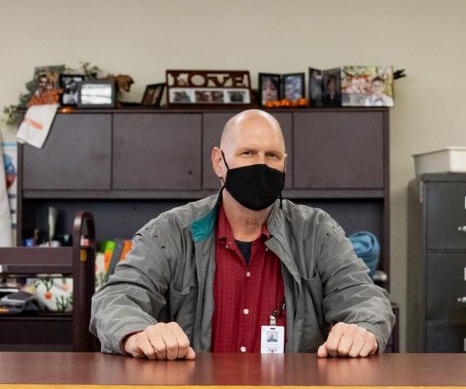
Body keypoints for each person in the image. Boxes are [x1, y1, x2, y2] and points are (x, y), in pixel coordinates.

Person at [90, 109, 394, 360]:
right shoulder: (172, 231)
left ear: (285, 163)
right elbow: (114, 299)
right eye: (247, 153)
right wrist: (138, 332)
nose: (261, 166)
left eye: (272, 155)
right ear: (219, 162)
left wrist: (363, 328)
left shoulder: (316, 232)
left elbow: (366, 298)